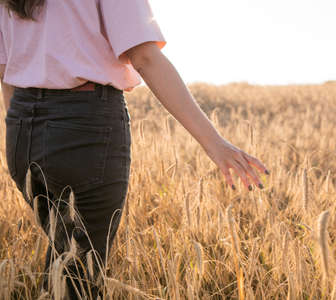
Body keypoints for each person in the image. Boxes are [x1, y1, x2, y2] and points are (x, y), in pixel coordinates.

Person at [0, 0, 269, 299]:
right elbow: (144, 57)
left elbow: (4, 69)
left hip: (21, 129)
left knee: (65, 255)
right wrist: (215, 143)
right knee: (80, 276)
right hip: (84, 128)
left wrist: (27, 134)